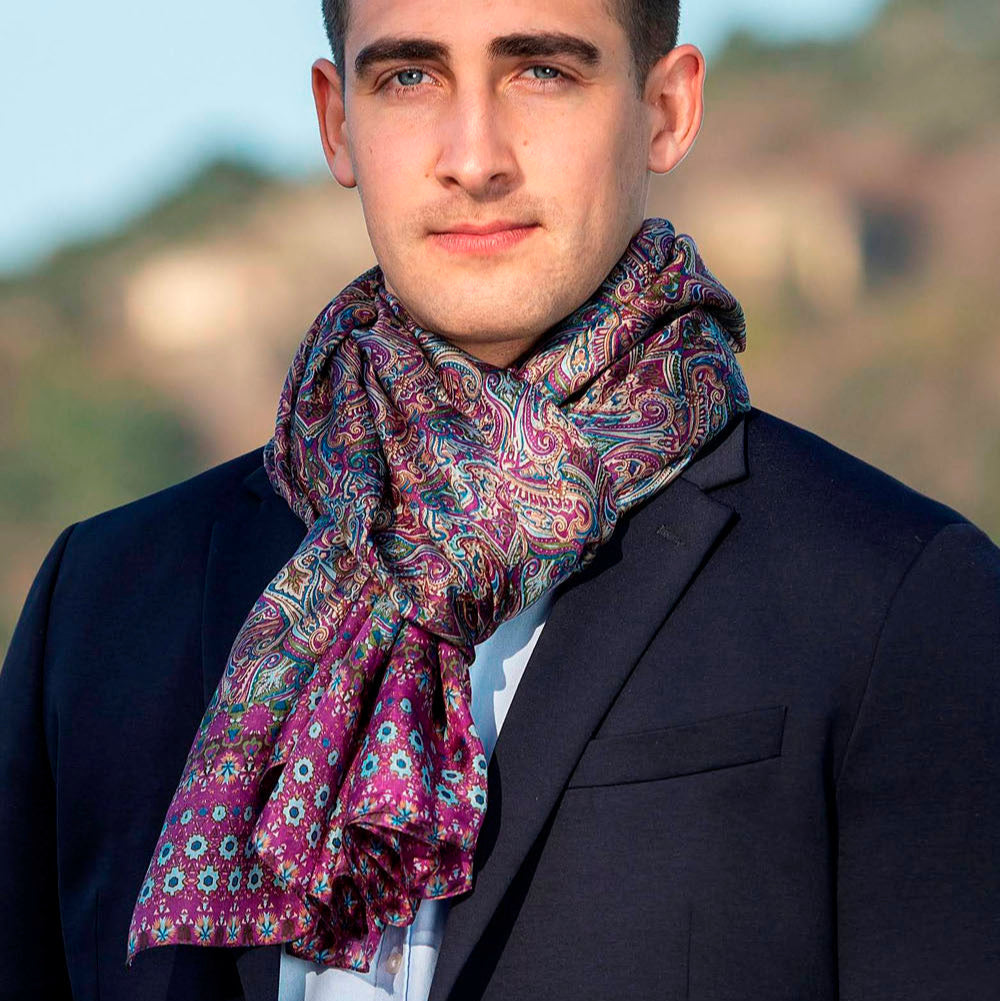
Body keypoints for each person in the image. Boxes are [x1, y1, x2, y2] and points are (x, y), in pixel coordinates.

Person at [1, 0, 997, 999]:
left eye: (542, 73)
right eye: (408, 78)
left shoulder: (896, 602)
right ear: (336, 121)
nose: (473, 158)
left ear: (667, 109)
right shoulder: (104, 607)